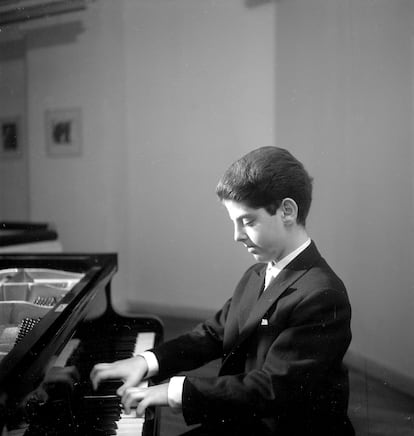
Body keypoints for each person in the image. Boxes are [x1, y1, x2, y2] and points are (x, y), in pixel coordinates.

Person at [90, 146, 354, 436]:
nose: (237, 236)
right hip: (245, 420)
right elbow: (214, 334)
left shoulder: (321, 294)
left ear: (287, 211)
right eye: (234, 222)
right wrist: (147, 361)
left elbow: (271, 388)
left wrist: (174, 391)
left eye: (248, 221)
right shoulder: (257, 274)